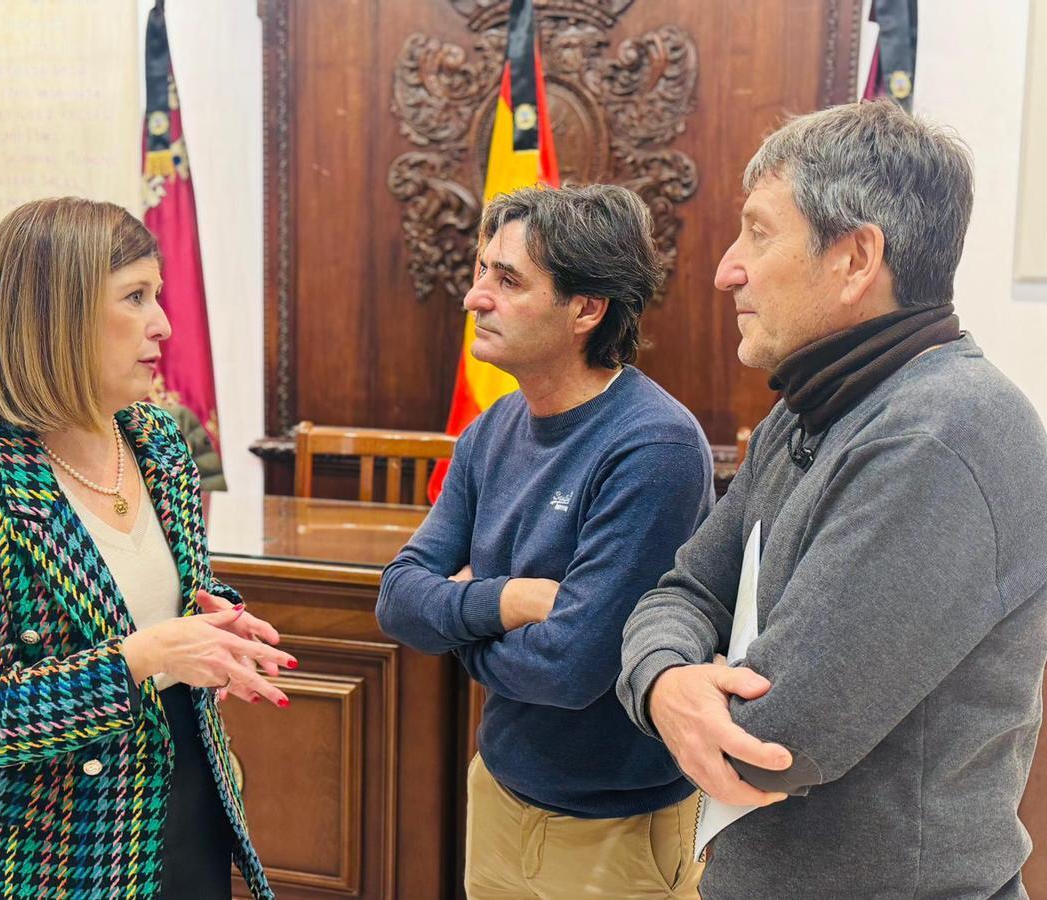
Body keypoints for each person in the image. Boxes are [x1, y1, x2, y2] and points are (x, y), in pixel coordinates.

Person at [618, 100, 1047, 899]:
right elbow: (685, 591)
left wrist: (659, 680)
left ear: (856, 259)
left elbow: (771, 740)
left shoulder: (942, 433)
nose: (726, 267)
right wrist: (664, 681)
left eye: (760, 231)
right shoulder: (811, 407)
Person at [0, 197, 295, 899]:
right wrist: (145, 655)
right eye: (135, 297)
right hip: (51, 850)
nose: (163, 323)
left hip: (186, 796)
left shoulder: (158, 439)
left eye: (159, 295)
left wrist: (218, 626)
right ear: (61, 316)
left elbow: (167, 595)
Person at [376, 184, 714, 898]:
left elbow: (572, 669)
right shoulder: (491, 429)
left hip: (614, 829)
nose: (475, 297)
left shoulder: (655, 446)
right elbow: (398, 600)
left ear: (585, 310)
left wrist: (458, 620)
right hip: (499, 786)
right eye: (481, 272)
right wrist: (511, 601)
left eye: (507, 280)